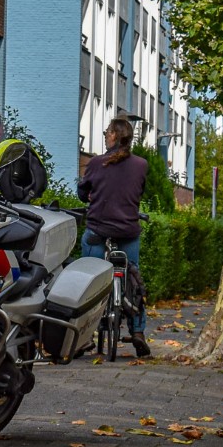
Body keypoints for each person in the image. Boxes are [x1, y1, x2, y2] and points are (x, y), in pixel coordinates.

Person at [78, 117, 150, 357]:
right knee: (134, 276)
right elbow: (138, 191)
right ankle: (138, 331)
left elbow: (82, 193)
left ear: (113, 136)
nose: (105, 136)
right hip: (128, 230)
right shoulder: (141, 164)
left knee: (87, 277)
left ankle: (82, 336)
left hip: (98, 230)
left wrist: (91, 195)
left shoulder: (96, 163)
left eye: (106, 132)